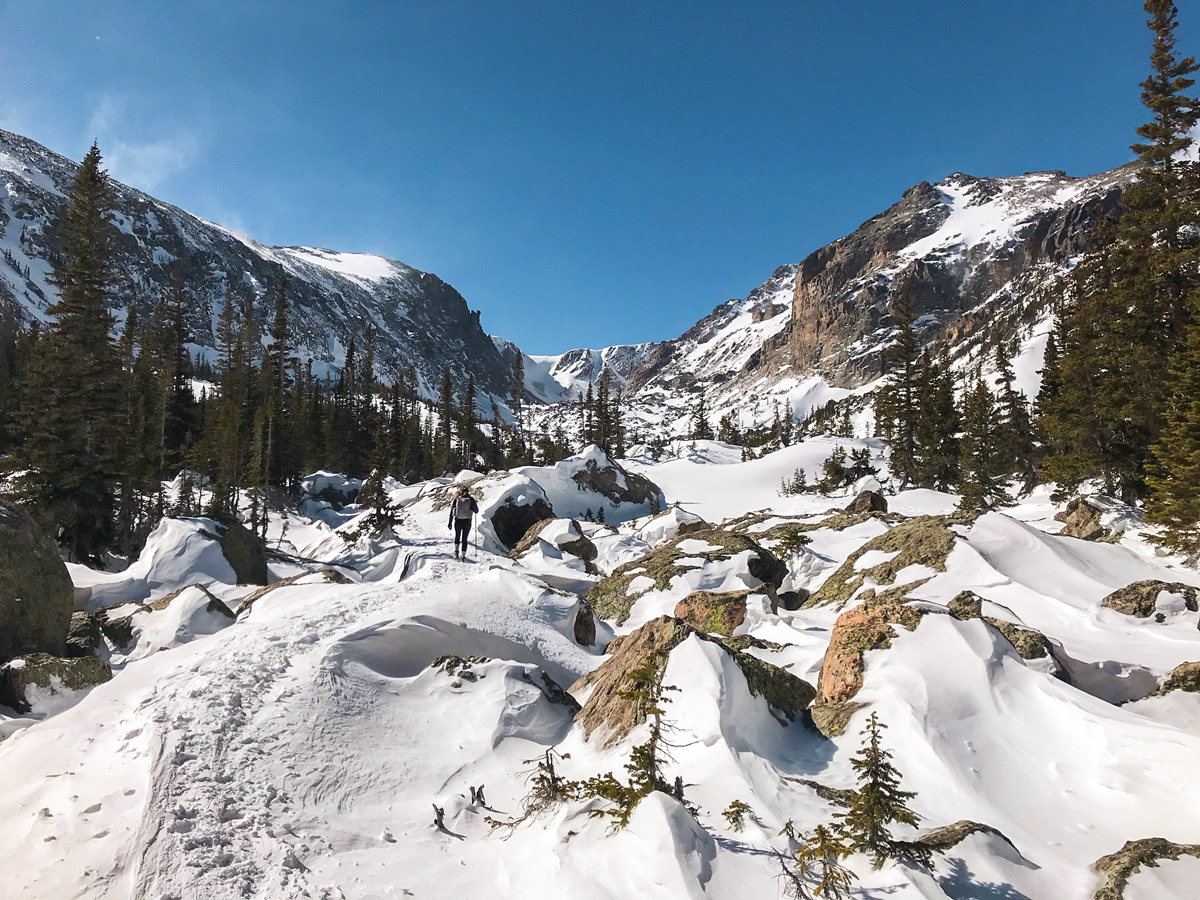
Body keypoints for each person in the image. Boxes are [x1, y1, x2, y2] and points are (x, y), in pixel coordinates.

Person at [448, 488, 479, 559]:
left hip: (458, 521)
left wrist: (450, 522)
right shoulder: (471, 499)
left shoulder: (457, 499)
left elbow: (452, 511)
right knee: (464, 539)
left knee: (457, 536)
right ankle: (463, 555)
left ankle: (456, 551)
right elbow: (476, 511)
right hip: (467, 521)